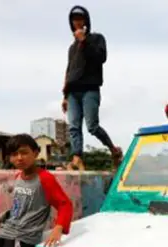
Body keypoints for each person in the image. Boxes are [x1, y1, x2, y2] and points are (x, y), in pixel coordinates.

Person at [61, 5, 122, 171]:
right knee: (73, 127)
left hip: (90, 89)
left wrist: (84, 41)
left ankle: (113, 150)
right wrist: (65, 96)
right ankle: (77, 158)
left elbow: (101, 57)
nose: (77, 22)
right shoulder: (72, 48)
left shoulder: (96, 38)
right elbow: (69, 70)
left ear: (86, 20)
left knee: (92, 126)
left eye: (80, 18)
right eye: (74, 19)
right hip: (73, 92)